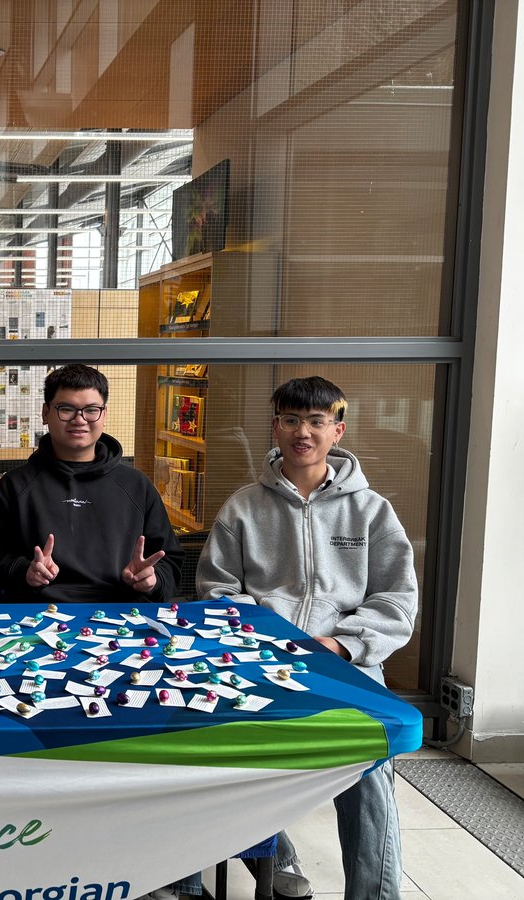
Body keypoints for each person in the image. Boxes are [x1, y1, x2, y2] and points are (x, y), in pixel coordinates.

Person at [196, 376, 418, 900]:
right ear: (275, 427)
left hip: (347, 664)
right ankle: (281, 860)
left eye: (316, 422)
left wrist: (342, 644)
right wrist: (268, 639)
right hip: (261, 661)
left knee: (368, 779)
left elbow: (397, 600)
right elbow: (218, 589)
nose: (303, 432)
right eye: (291, 420)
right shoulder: (243, 507)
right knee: (234, 761)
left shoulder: (372, 511)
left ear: (337, 431)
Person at [0, 363, 183, 603]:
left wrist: (152, 580)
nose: (79, 420)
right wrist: (24, 571)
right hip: (36, 616)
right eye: (66, 409)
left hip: (122, 615)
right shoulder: (14, 486)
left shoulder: (136, 486)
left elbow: (170, 561)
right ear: (45, 413)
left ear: (104, 414)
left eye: (91, 410)